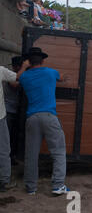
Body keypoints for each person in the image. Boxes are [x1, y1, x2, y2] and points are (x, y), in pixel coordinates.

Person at [17, 47, 69, 196]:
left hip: (32, 118)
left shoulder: (25, 77)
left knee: (31, 154)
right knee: (58, 152)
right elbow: (62, 77)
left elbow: (16, 78)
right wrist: (66, 76)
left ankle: (31, 188)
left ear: (29, 61)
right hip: (49, 116)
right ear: (43, 60)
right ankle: (58, 185)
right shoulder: (51, 72)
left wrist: (23, 67)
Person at [0, 63, 17, 192]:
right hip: (0, 117)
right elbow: (16, 79)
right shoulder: (0, 70)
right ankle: (4, 181)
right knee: (4, 150)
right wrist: (25, 66)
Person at [3, 56, 23, 165]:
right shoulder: (9, 74)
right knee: (7, 136)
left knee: (14, 136)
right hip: (8, 111)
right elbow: (15, 85)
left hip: (15, 111)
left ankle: (11, 158)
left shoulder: (17, 75)